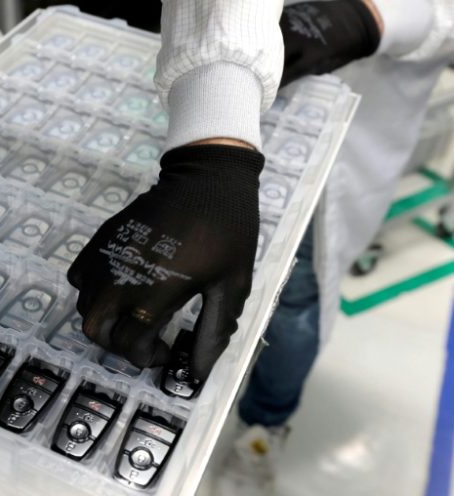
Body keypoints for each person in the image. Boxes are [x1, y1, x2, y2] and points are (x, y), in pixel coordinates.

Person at [68, 0, 454, 494]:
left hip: (353, 127)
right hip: (212, 118)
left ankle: (263, 425)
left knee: (295, 300)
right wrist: (212, 144)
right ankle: (167, 420)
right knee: (174, 275)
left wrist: (373, 16)